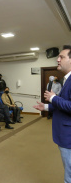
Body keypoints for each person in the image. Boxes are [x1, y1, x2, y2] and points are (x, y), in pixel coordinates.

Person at [33, 45, 71, 183]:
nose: (57, 59)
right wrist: (47, 107)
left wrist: (54, 98)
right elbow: (63, 105)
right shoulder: (66, 80)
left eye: (62, 57)